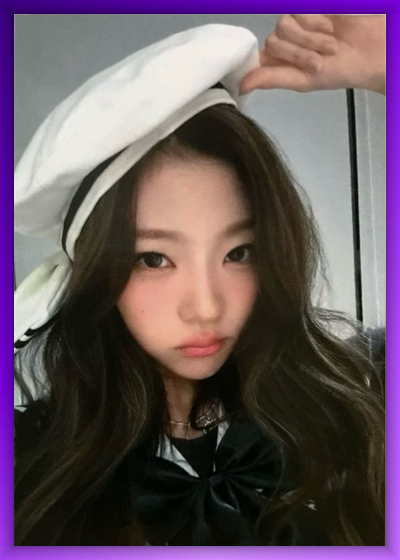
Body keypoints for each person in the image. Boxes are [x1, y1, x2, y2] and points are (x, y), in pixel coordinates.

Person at [14, 16, 385, 546]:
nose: (207, 308)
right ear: (97, 269)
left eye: (239, 252)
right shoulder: (30, 463)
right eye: (153, 259)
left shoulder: (362, 394)